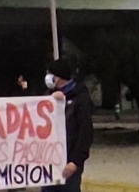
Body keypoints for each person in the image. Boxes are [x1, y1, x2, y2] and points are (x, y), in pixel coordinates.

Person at [43, 60, 93, 192]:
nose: (47, 77)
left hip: (69, 163)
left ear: (57, 77)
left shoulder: (80, 98)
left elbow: (85, 132)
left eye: (49, 73)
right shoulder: (48, 95)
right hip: (49, 163)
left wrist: (75, 161)